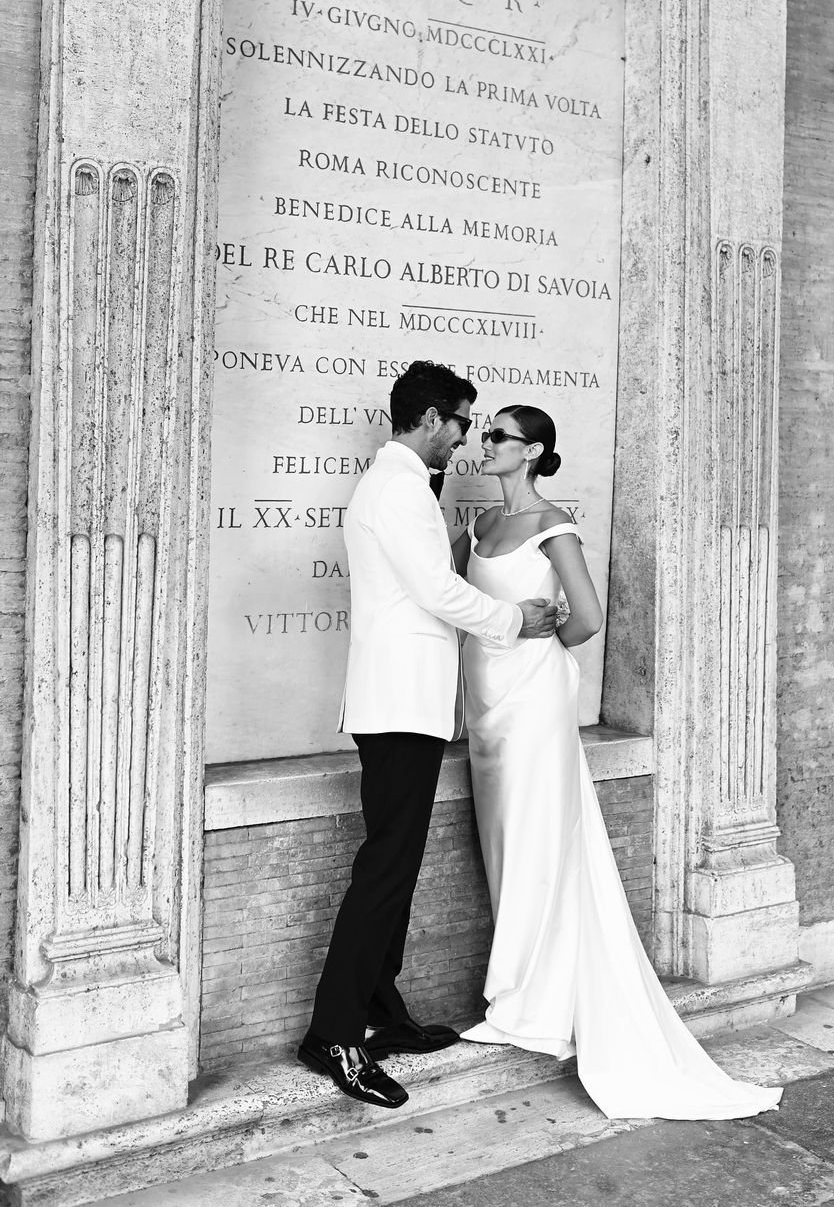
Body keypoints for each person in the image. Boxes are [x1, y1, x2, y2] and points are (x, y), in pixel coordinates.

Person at [452, 404, 782, 1120]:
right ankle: (520, 993)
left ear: (532, 451)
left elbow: (587, 619)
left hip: (533, 697)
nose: (487, 443)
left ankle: (528, 1005)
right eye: (485, 433)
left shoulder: (553, 525)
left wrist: (535, 643)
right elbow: (465, 607)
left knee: (538, 837)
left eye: (499, 436)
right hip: (485, 699)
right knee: (502, 840)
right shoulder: (479, 525)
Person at [298, 365, 558, 1110]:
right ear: (434, 418)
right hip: (396, 706)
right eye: (464, 423)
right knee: (384, 871)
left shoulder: (404, 485)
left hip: (406, 704)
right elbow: (437, 591)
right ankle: (334, 1035)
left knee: (397, 867)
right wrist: (515, 620)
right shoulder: (398, 486)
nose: (466, 439)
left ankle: (382, 1011)